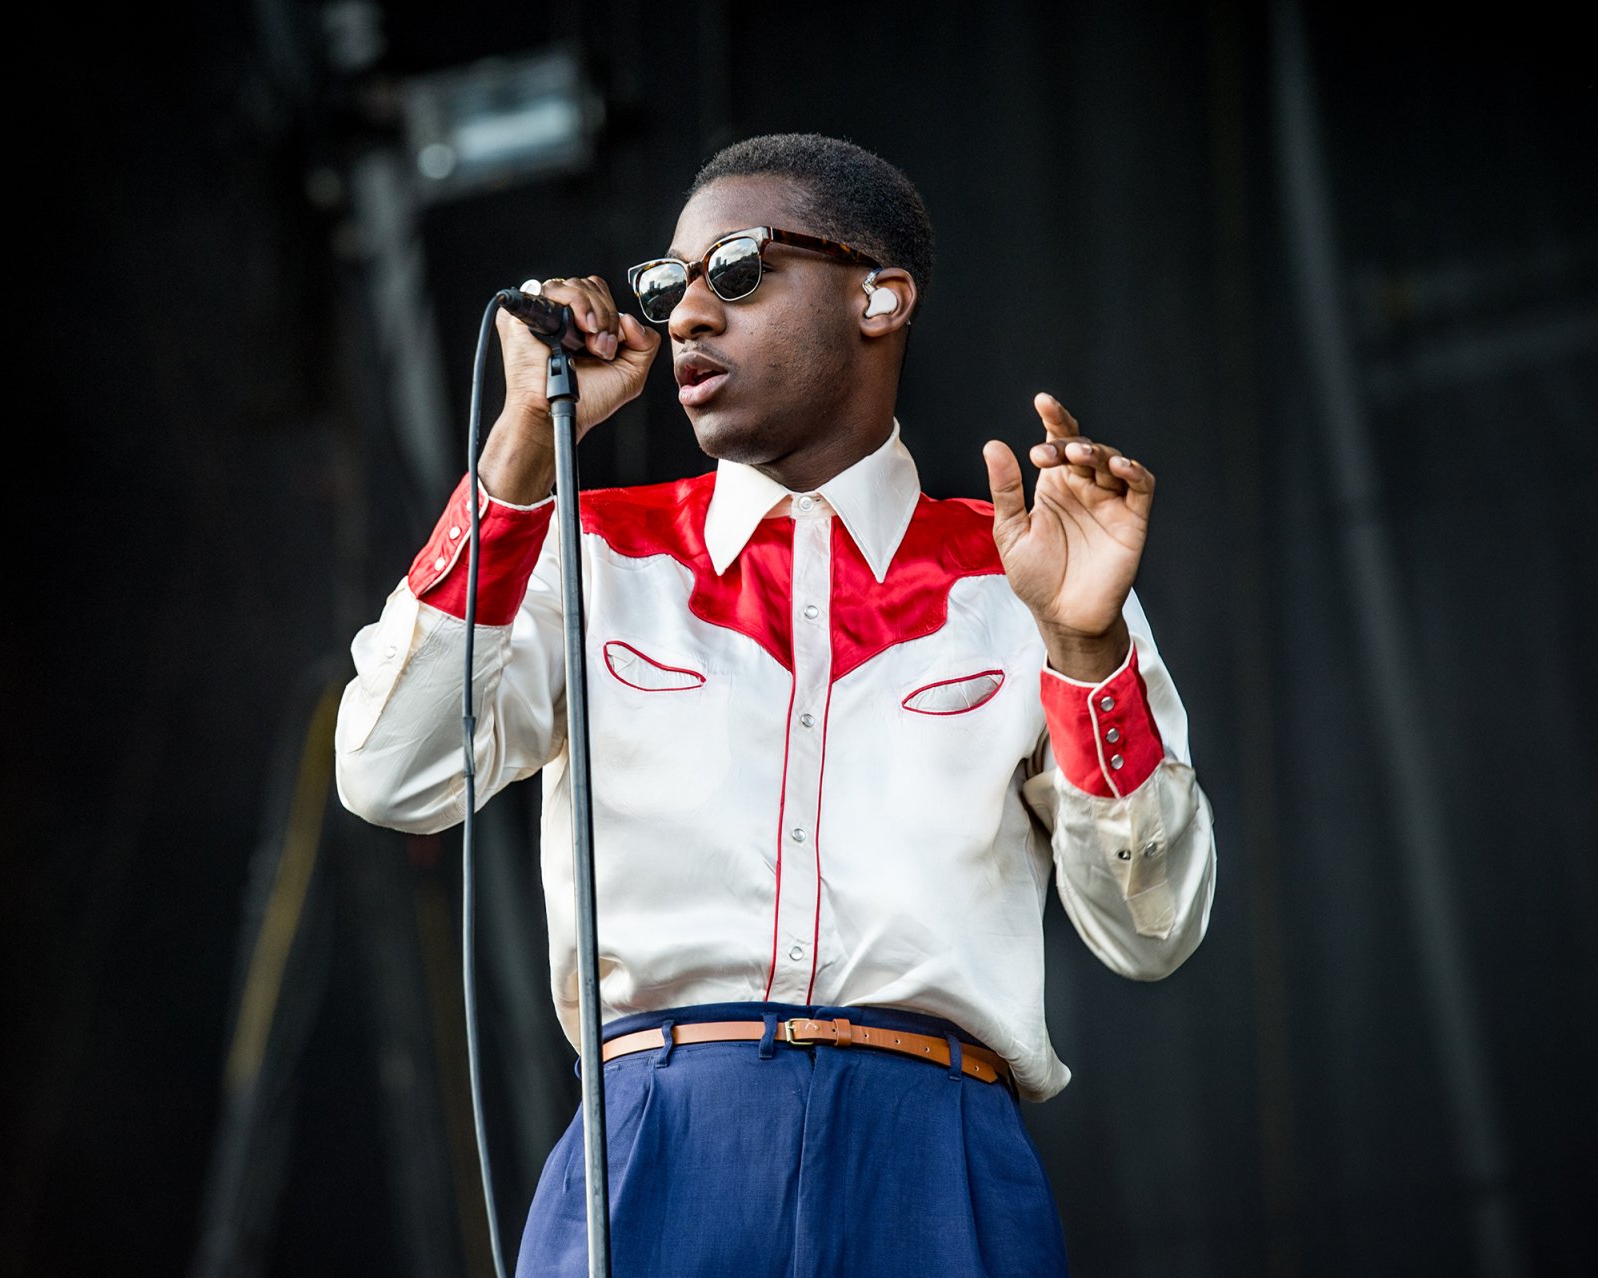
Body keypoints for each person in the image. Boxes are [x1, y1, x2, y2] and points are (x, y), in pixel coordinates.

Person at [336, 133, 1216, 1276]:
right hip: (653, 1136)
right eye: (669, 288)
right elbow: (391, 774)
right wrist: (513, 452)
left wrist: (1086, 644)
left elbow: (1152, 933)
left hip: (933, 1149)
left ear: (880, 296)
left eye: (737, 271)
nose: (689, 317)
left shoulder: (1027, 577)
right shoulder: (592, 553)